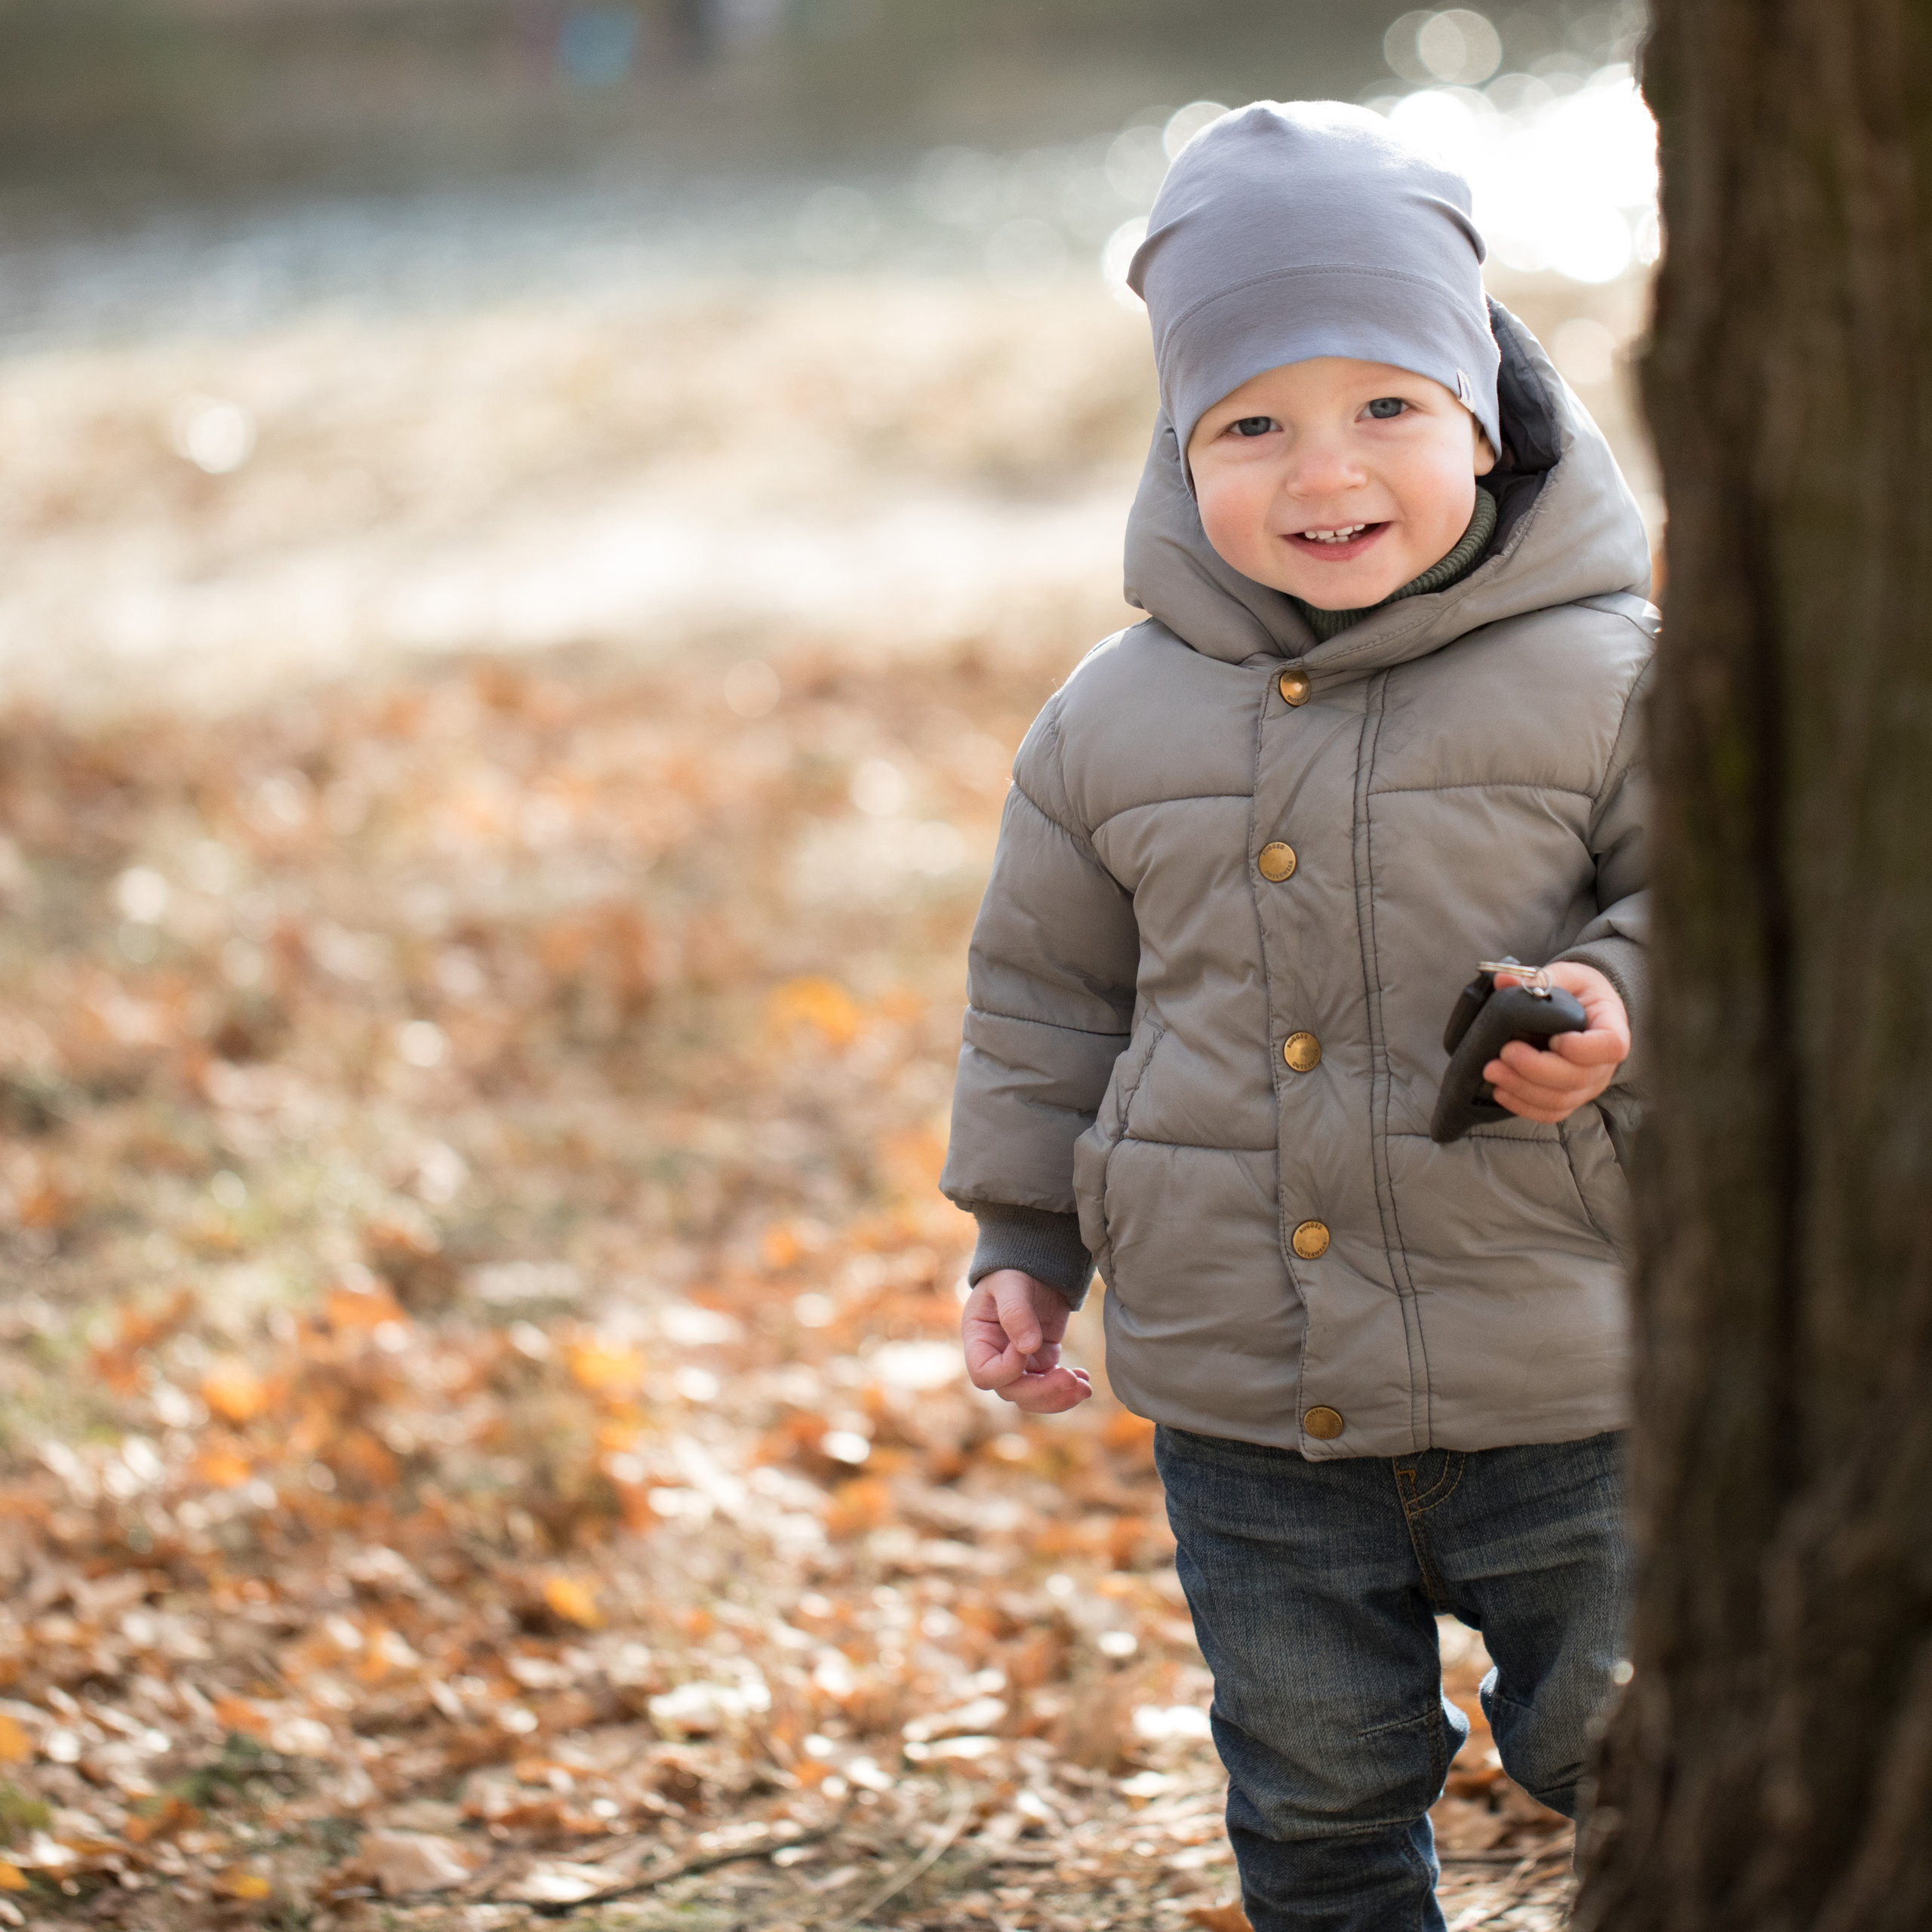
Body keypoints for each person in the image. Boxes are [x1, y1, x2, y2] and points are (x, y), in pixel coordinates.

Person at [940, 101, 1654, 1932]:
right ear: (1181, 453)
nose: (1320, 467)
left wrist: (1612, 998)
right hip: (1257, 1403)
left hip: (1571, 1367)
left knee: (1634, 1746)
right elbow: (1044, 995)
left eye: (1384, 407)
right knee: (1316, 1787)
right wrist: (1022, 1238)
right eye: (1250, 422)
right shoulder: (1112, 719)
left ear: (1482, 415)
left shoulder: (1615, 674)